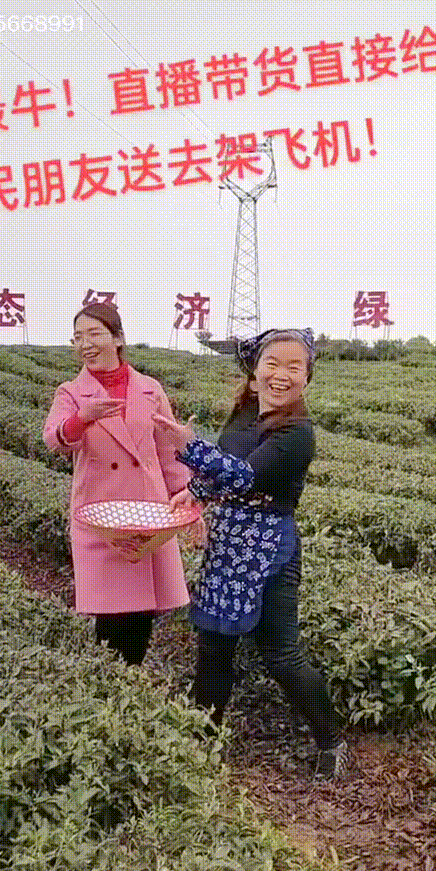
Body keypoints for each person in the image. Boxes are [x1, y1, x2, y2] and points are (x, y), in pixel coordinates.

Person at [154, 327, 347, 779]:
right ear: (255, 370)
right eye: (272, 364)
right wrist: (196, 493)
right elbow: (224, 466)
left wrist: (188, 447)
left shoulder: (298, 433)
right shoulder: (244, 414)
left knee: (281, 654)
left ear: (307, 377)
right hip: (228, 543)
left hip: (270, 548)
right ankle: (201, 740)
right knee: (214, 645)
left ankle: (332, 742)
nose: (281, 375)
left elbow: (243, 476)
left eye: (294, 367)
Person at [42, 301, 195, 665]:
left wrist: (184, 495)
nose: (86, 344)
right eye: (78, 337)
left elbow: (167, 451)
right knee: (112, 615)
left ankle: (130, 681)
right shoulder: (72, 392)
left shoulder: (149, 389)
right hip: (102, 518)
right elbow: (53, 439)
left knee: (141, 612)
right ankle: (112, 685)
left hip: (147, 514)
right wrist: (82, 418)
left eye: (94, 334)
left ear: (118, 339)